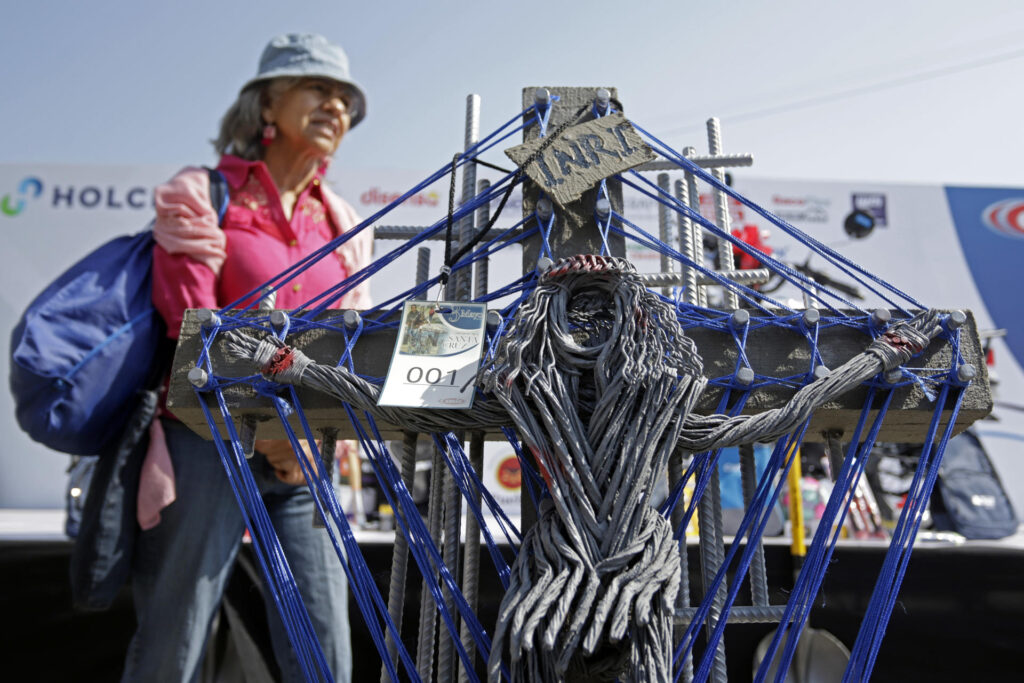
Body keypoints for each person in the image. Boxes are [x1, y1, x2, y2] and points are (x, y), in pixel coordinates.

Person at [124, 34, 372, 682]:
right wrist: (271, 435)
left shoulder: (343, 220)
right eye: (317, 88)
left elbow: (351, 347)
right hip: (207, 443)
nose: (335, 106)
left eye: (345, 98)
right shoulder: (203, 194)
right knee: (172, 648)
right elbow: (192, 332)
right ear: (268, 103)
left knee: (326, 655)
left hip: (304, 455)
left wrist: (307, 436)